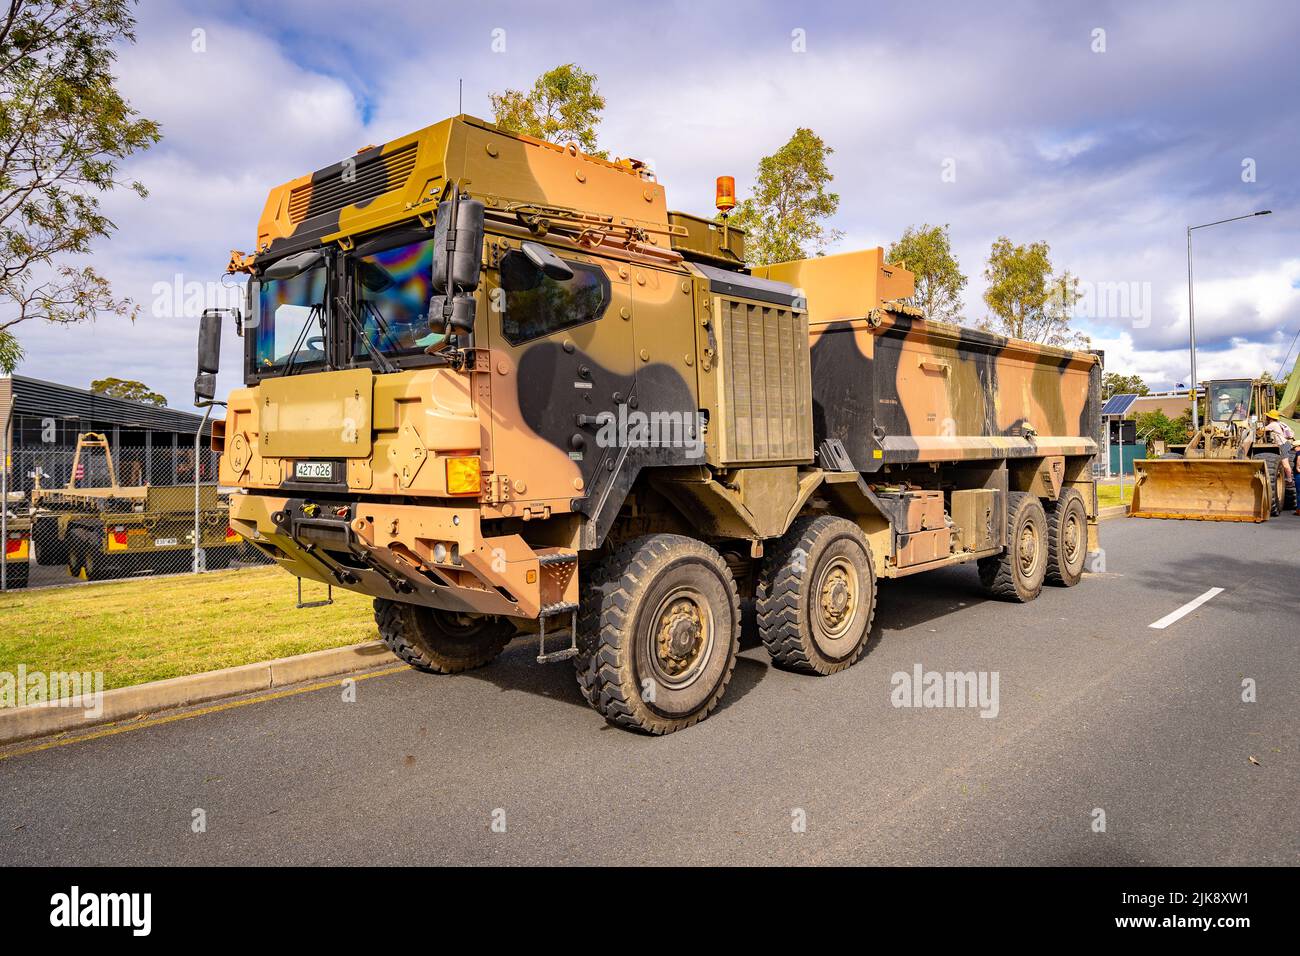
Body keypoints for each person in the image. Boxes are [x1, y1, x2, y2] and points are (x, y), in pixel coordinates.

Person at [1264, 410, 1297, 514]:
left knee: (1285, 464)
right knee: (1285, 464)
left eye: (1267, 417)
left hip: (1282, 444)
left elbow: (1261, 430)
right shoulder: (1280, 423)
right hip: (1286, 443)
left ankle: (1289, 481)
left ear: (1270, 418)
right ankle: (1289, 480)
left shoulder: (1272, 424)